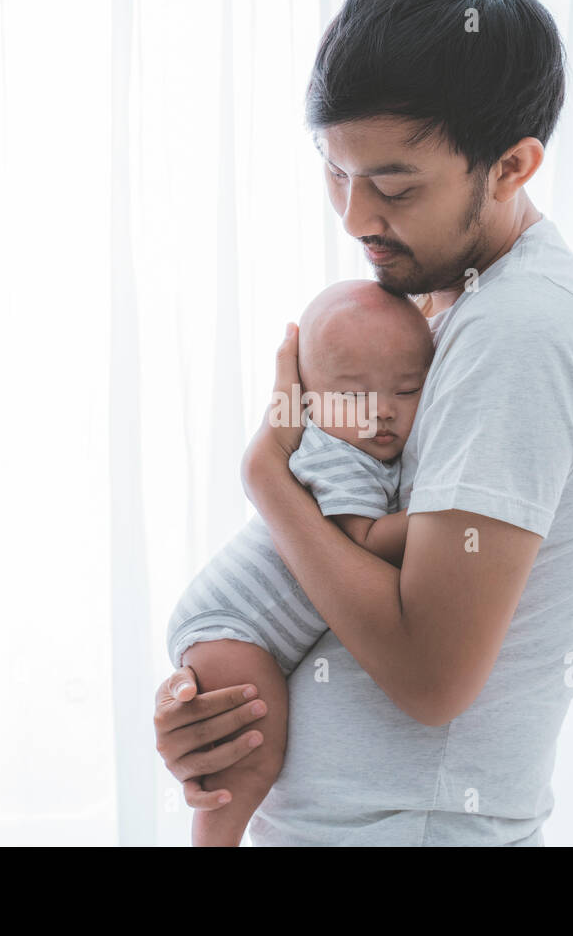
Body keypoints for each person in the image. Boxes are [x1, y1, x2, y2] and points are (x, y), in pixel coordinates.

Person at [153, 0, 573, 845]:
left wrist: (270, 484)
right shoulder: (441, 311)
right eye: (336, 171)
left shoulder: (518, 331)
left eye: (395, 186)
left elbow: (432, 674)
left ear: (513, 166)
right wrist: (226, 700)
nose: (357, 216)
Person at [165, 279, 433, 846]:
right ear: (306, 400)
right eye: (354, 396)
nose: (381, 412)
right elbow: (360, 537)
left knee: (242, 748)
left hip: (241, 627)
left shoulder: (363, 446)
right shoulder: (333, 454)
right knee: (251, 754)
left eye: (407, 391)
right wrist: (440, 519)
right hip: (234, 623)